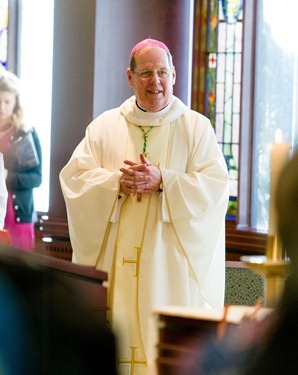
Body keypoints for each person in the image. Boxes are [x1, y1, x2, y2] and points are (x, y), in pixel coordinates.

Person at [60, 37, 229, 375]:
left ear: (174, 75)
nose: (156, 82)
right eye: (147, 73)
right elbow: (75, 178)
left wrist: (164, 180)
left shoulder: (196, 128)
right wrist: (114, 183)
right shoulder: (104, 127)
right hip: (115, 266)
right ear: (130, 77)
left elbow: (215, 187)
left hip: (169, 267)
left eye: (163, 72)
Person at [0, 69, 42, 250]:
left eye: (6, 102)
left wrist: (8, 175)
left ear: (15, 103)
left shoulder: (26, 133)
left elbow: (36, 178)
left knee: (17, 273)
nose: (2, 107)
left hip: (17, 214)